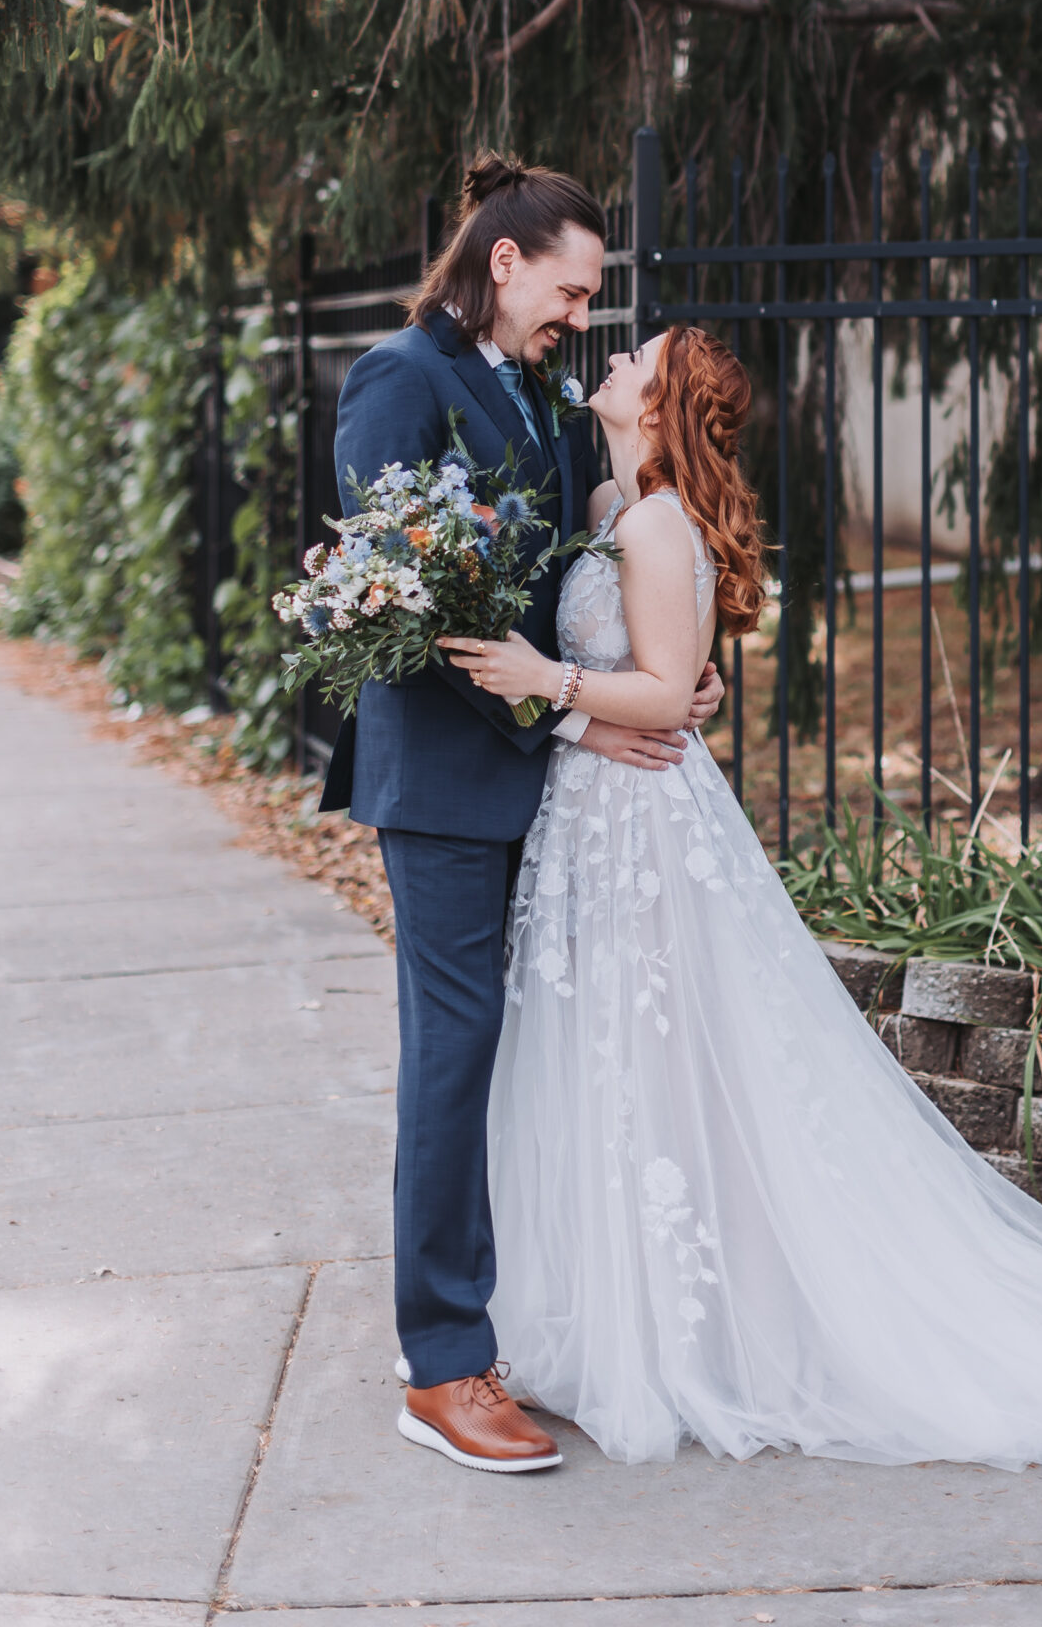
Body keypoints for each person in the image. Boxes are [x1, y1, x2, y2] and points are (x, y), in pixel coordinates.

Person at [445, 325, 1042, 1471]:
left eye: (635, 357)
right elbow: (671, 673)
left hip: (641, 824)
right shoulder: (619, 502)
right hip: (593, 813)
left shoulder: (656, 525)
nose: (609, 357)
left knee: (660, 1061)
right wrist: (591, 695)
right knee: (609, 1060)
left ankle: (694, 1330)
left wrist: (546, 678)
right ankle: (623, 1307)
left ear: (657, 404)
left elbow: (666, 690)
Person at [324, 155, 723, 1477]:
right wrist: (574, 713)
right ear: (506, 262)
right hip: (440, 789)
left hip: (548, 798)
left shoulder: (548, 400)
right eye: (571, 286)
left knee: (520, 1055)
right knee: (455, 1051)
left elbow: (570, 576)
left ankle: (500, 1321)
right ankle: (439, 1367)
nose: (581, 314)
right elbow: (406, 602)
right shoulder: (400, 379)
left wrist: (667, 669)